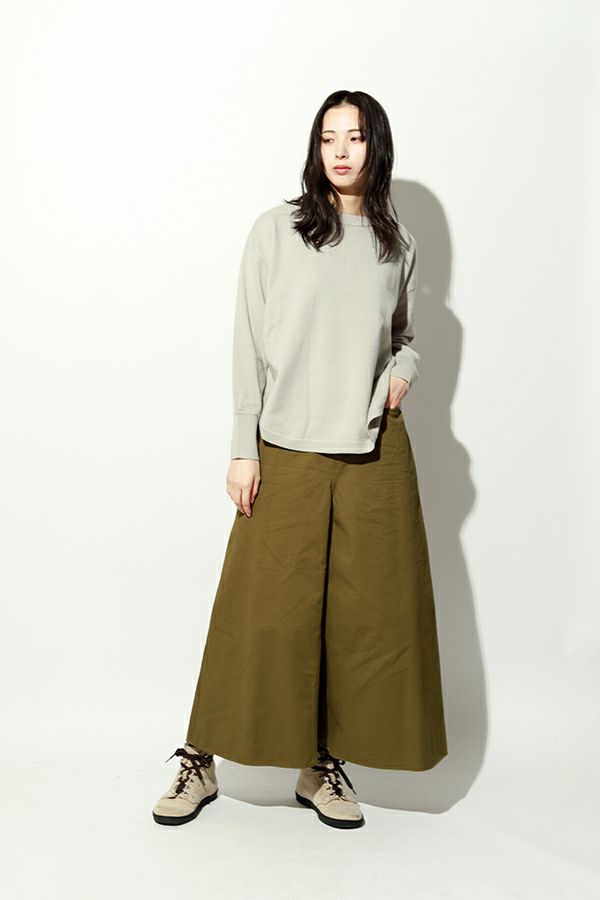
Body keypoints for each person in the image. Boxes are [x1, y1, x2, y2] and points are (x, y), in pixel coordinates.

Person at [152, 90, 448, 831]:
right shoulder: (278, 231)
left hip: (373, 448)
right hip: (285, 444)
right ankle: (200, 759)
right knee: (260, 612)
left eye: (356, 137)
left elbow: (405, 335)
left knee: (366, 618)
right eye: (328, 138)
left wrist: (404, 370)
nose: (341, 151)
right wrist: (242, 446)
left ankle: (322, 765)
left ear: (377, 147)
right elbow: (248, 341)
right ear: (315, 150)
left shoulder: (396, 242)